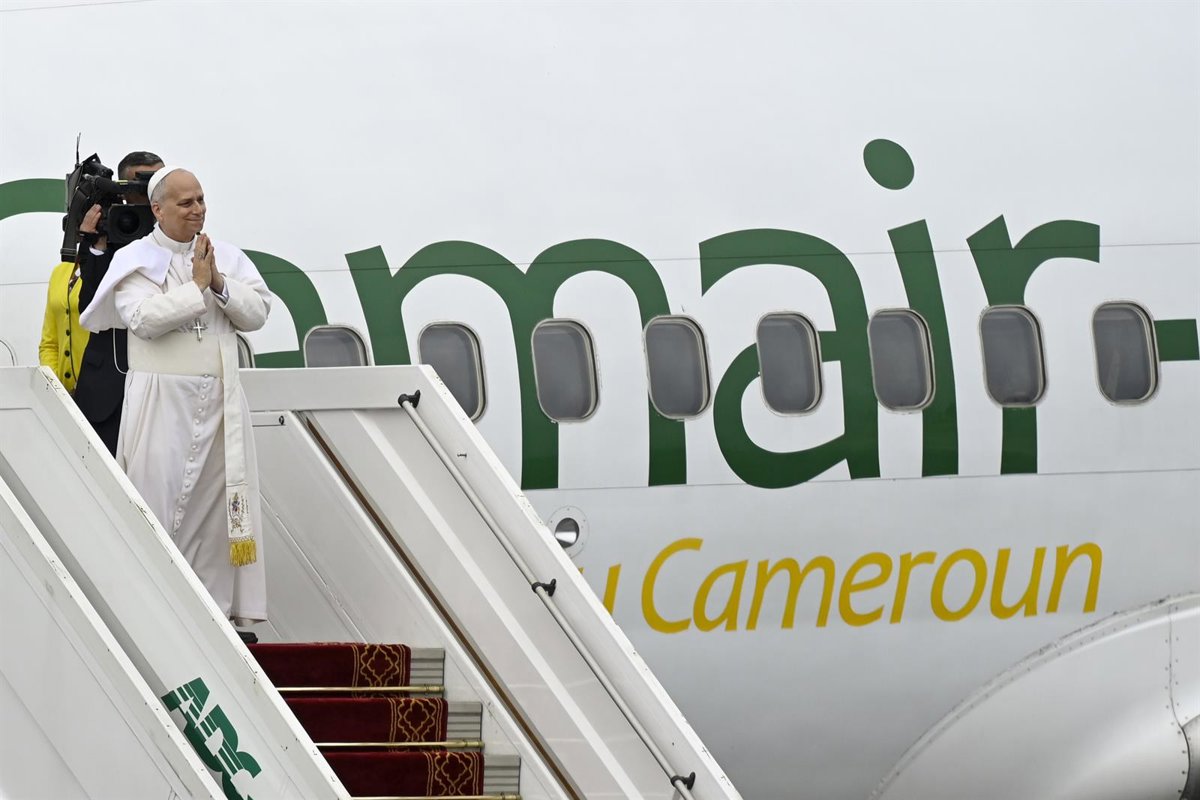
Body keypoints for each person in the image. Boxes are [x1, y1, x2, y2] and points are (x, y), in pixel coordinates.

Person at [80, 166, 272, 626]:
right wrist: (197, 287)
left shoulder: (225, 256)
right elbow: (143, 319)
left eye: (201, 199)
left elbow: (258, 313)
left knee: (214, 515)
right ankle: (150, 615)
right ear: (158, 209)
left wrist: (219, 283)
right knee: (155, 504)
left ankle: (216, 617)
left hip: (220, 407)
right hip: (160, 406)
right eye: (186, 203)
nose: (197, 210)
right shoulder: (135, 259)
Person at [74, 151, 165, 454]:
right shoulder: (109, 229)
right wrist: (96, 243)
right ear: (123, 190)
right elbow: (89, 306)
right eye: (142, 187)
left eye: (159, 184)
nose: (150, 196)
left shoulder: (183, 236)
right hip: (107, 388)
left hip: (165, 386)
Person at [38, 260, 89, 392]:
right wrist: (54, 382)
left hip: (95, 386)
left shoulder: (106, 267)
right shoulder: (59, 272)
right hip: (61, 391)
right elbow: (49, 343)